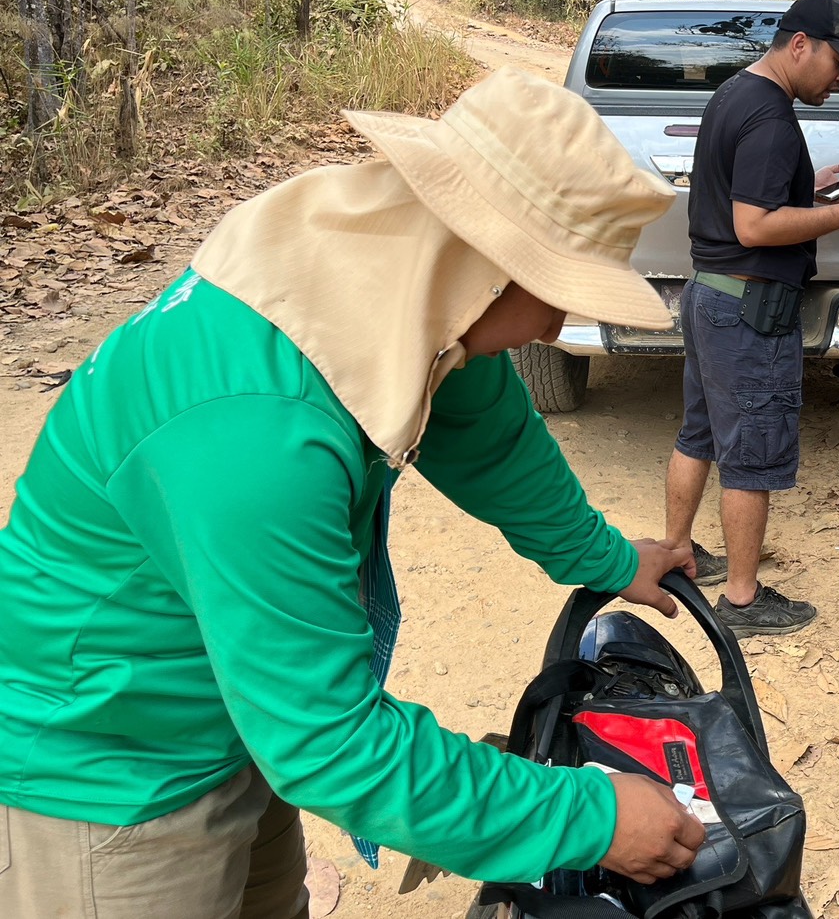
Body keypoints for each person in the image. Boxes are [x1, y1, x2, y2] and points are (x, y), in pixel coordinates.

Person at [0, 66, 707, 916]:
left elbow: (487, 436)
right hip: (109, 764)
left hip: (240, 710)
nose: (557, 326)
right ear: (483, 268)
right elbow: (330, 743)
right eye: (554, 294)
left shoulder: (381, 277)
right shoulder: (253, 431)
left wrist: (602, 557)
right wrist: (589, 817)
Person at [662, 0, 839, 637]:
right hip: (748, 308)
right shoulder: (772, 119)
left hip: (709, 294)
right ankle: (742, 601)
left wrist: (809, 189)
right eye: (838, 63)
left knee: (700, 433)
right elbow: (754, 225)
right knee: (750, 455)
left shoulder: (734, 94)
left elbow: (740, 194)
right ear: (799, 45)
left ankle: (677, 550)